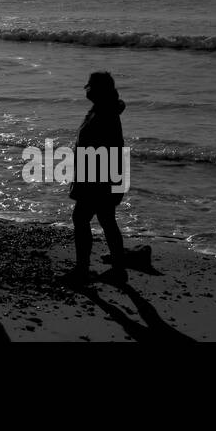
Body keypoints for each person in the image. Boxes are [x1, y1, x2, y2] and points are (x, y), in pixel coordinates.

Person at [64, 71, 129, 287]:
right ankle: (118, 270)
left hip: (98, 175)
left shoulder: (105, 112)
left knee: (82, 218)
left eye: (90, 86)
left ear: (99, 90)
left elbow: (109, 148)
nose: (87, 90)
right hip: (101, 173)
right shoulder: (104, 108)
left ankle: (83, 269)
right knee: (106, 220)